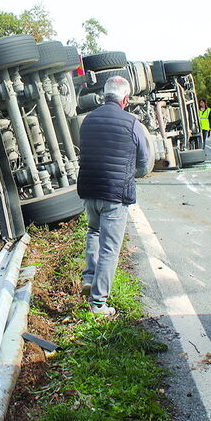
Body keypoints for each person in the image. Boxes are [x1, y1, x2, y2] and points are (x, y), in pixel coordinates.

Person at [77, 76, 151, 316]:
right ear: (126, 99)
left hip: (90, 190)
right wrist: (133, 174)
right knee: (110, 247)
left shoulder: (88, 120)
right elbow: (143, 162)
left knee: (94, 231)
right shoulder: (132, 123)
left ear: (104, 95)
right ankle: (98, 304)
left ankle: (89, 276)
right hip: (115, 193)